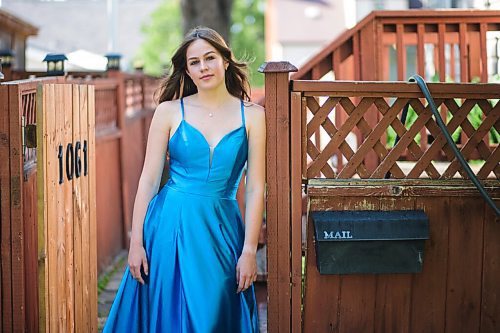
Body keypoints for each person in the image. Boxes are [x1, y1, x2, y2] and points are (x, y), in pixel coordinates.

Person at [103, 26, 265, 333]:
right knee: (169, 315)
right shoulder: (168, 112)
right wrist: (135, 242)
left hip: (221, 230)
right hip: (168, 226)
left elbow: (256, 187)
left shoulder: (253, 116)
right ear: (186, 70)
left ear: (225, 61)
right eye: (194, 62)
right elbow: (148, 181)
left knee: (215, 314)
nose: (203, 67)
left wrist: (249, 250)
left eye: (210, 58)